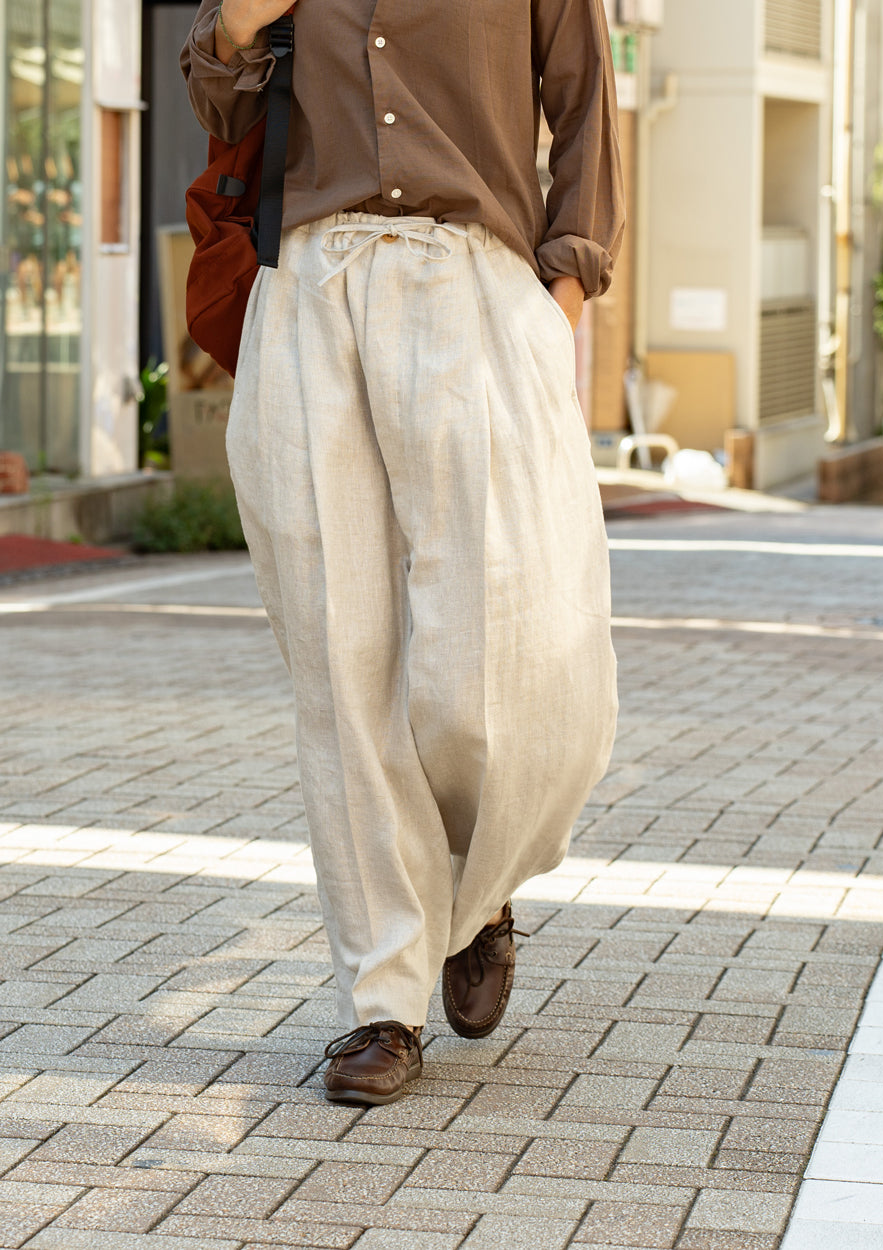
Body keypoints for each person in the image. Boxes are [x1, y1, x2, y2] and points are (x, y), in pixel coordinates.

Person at [181, 0, 623, 1105]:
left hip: (473, 288)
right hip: (309, 295)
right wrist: (238, 25)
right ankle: (382, 998)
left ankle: (477, 892)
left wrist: (553, 301)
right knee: (341, 660)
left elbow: (586, 120)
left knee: (489, 660)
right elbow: (211, 92)